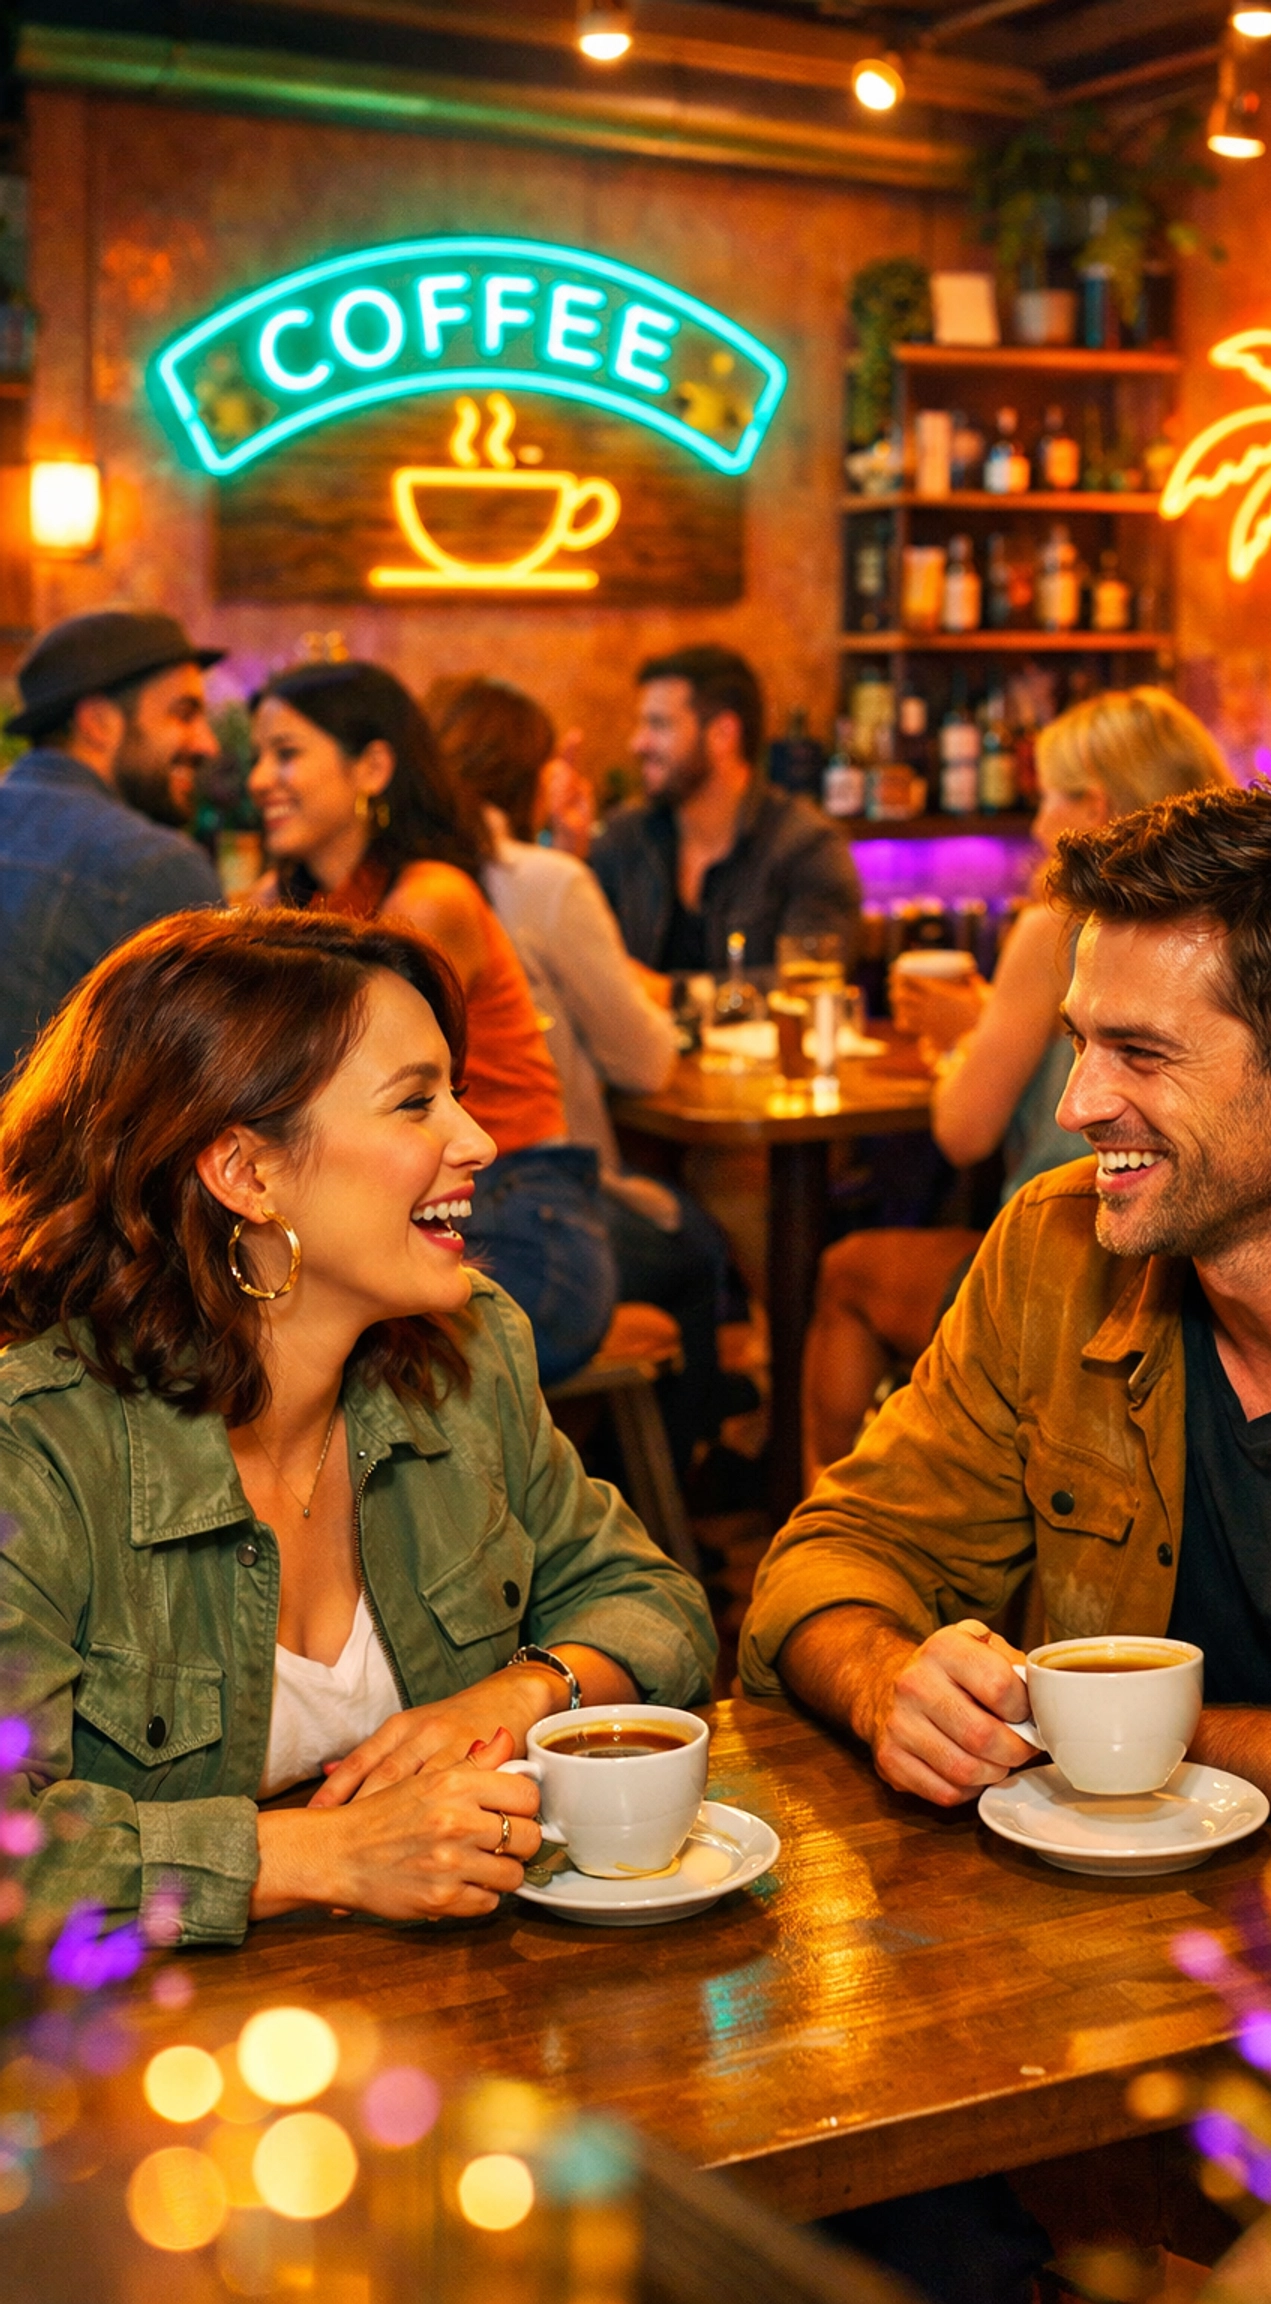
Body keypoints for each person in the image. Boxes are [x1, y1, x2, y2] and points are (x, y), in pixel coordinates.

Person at [741, 783, 1271, 1856]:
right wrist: (889, 1683)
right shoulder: (1050, 1247)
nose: (1075, 1105)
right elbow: (827, 1559)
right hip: (1089, 1963)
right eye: (1079, 1042)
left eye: (1141, 1053)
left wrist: (1158, 1734)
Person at [0, 907, 716, 1944]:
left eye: (458, 1093)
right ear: (246, 1173)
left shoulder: (465, 1358)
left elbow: (653, 1603)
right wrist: (323, 1855)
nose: (477, 1139)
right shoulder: (38, 1446)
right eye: (416, 1102)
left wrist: (519, 1694)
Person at [801, 691, 1233, 1484]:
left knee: (846, 1273)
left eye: (1047, 798)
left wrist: (961, 1039)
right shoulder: (1232, 926)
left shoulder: (1067, 930)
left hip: (1073, 1258)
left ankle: (828, 1526)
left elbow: (962, 1130)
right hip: (1206, 1268)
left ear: (1093, 807)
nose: (1036, 825)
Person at [247, 660, 615, 1384]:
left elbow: (319, 1077)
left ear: (374, 767)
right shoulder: (287, 899)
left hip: (509, 1207)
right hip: (394, 1206)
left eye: (286, 753)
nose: (261, 778)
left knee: (338, 1369)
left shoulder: (430, 898)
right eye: (257, 757)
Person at [429, 674, 734, 1472]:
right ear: (531, 777)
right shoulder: (543, 882)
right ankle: (676, 1492)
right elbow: (645, 1058)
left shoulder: (408, 879)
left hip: (432, 1198)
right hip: (530, 1196)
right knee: (700, 1250)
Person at [0, 608, 223, 1081]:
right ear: (98, 723)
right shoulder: (155, 867)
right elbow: (211, 1087)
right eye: (183, 714)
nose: (207, 745)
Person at [591, 644, 864, 974]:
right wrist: (568, 850)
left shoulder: (807, 848)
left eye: (659, 725)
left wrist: (675, 996)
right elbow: (576, 965)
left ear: (723, 734)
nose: (638, 743)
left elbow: (812, 981)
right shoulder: (625, 836)